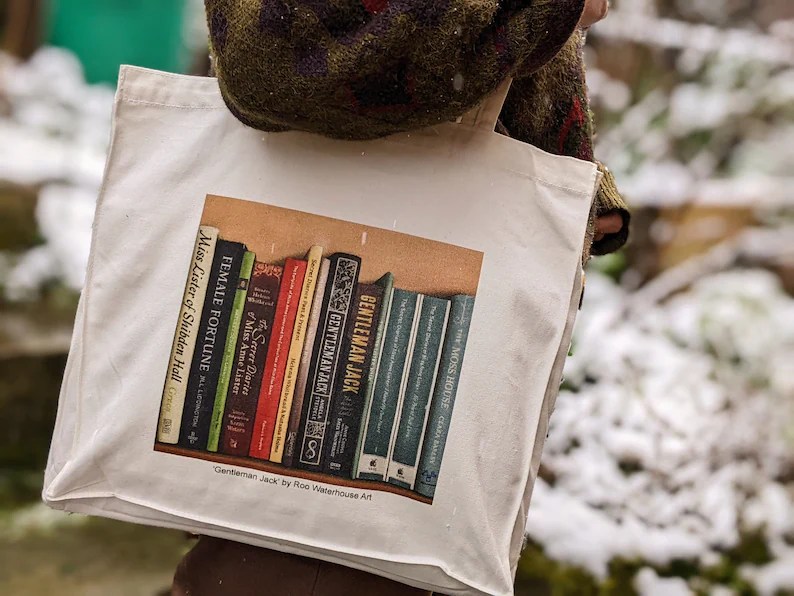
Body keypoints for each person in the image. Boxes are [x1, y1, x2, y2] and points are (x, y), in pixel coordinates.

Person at [173, 1, 625, 594]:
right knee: (294, 551)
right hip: (315, 299)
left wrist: (577, 191)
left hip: (430, 318)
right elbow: (274, 62)